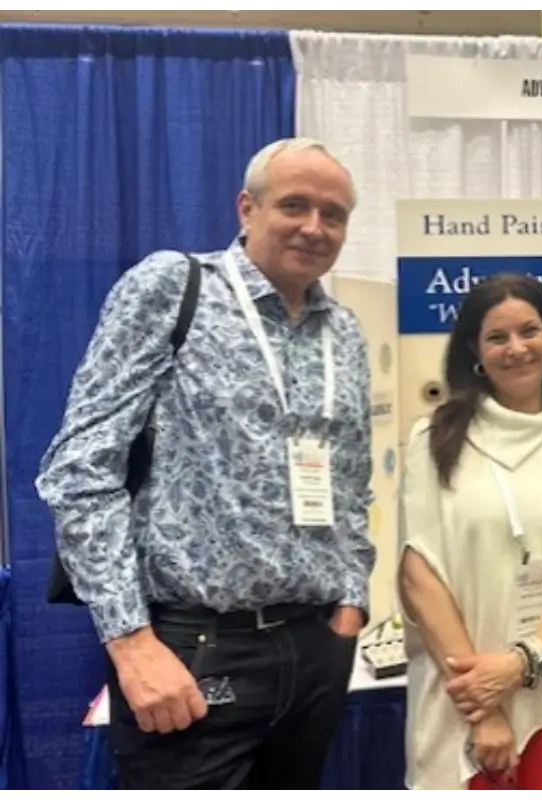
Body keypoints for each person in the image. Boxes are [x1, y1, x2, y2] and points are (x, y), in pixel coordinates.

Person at [35, 137, 377, 792]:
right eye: (295, 205)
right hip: (193, 648)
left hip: (314, 649)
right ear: (247, 207)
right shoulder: (174, 287)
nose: (314, 227)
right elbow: (81, 467)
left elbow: (351, 482)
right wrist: (130, 642)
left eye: (332, 214)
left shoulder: (345, 332)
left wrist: (351, 602)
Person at [397, 273, 542, 792]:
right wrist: (484, 707)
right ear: (475, 351)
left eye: (530, 331)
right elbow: (419, 577)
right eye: (497, 337)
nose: (516, 348)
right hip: (463, 703)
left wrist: (523, 661)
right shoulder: (432, 441)